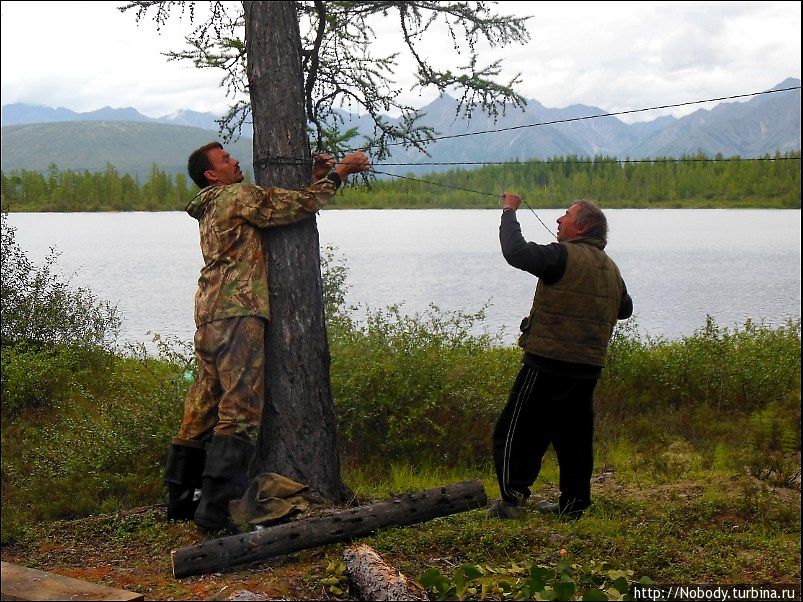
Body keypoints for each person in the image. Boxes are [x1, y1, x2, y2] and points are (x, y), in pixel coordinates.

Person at [164, 142, 370, 532]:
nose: (235, 160)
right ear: (212, 174)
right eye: (225, 159)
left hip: (208, 316)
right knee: (239, 410)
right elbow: (297, 208)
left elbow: (285, 202)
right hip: (239, 313)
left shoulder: (210, 204)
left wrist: (314, 178)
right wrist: (340, 173)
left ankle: (179, 500)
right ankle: (214, 510)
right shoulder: (238, 195)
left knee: (202, 405)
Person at [489, 194, 633, 520]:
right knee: (574, 438)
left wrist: (509, 211)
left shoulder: (560, 257)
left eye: (565, 215)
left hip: (548, 360)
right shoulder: (612, 269)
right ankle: (573, 505)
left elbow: (515, 251)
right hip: (588, 368)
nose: (558, 220)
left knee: (514, 429)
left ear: (581, 227)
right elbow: (625, 309)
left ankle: (512, 501)